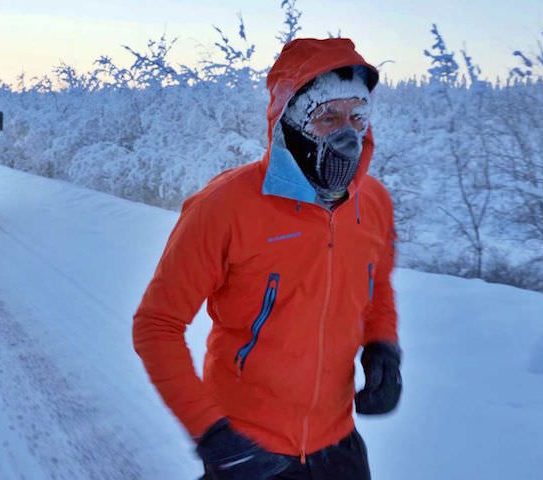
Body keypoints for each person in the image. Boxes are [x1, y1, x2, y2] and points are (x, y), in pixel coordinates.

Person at [133, 37, 402, 480]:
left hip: (338, 444)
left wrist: (383, 348)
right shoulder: (223, 207)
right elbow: (157, 325)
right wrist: (213, 434)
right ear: (289, 119)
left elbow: (377, 288)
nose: (347, 134)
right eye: (327, 117)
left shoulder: (372, 203)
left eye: (357, 117)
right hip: (248, 449)